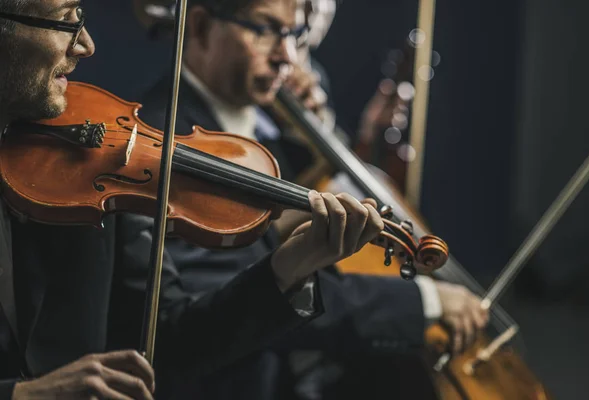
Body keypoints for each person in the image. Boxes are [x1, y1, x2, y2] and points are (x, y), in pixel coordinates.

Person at [0, 1, 386, 399]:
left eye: (80, 18)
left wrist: (291, 265)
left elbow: (167, 345)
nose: (86, 44)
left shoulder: (91, 158)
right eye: (64, 22)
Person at [130, 0, 489, 398]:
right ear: (198, 27)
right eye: (265, 29)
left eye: (294, 34)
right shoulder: (169, 147)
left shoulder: (268, 129)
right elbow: (226, 303)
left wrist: (319, 134)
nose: (288, 56)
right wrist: (423, 300)